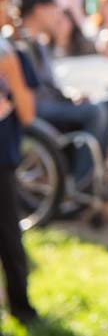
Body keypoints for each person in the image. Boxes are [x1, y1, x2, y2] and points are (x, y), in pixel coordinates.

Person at [11, 0, 108, 182]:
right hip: (35, 110)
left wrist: (70, 98)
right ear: (40, 10)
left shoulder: (38, 43)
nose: (58, 12)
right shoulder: (18, 45)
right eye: (53, 7)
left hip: (50, 103)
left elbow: (49, 85)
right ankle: (79, 181)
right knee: (95, 112)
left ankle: (95, 177)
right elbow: (32, 91)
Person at [0, 37, 39, 325]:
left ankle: (21, 306)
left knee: (10, 239)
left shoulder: (12, 53)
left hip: (3, 162)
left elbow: (27, 114)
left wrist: (12, 73)